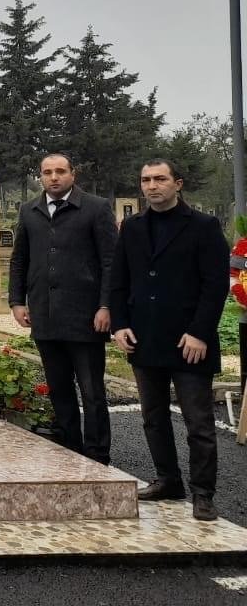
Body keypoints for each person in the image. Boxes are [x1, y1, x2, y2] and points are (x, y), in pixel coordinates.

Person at [109, 158, 229, 521]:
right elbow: (119, 280)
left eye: (160, 179)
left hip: (190, 340)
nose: (152, 186)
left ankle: (203, 493)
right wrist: (120, 324)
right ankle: (167, 479)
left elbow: (215, 285)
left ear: (177, 183)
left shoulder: (204, 227)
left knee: (198, 423)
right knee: (153, 417)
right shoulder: (132, 227)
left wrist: (199, 332)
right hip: (145, 338)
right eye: (145, 179)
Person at [8, 152, 117, 465]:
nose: (53, 177)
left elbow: (110, 261)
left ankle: (97, 454)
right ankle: (70, 447)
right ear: (40, 176)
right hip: (45, 314)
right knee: (59, 387)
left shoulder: (96, 208)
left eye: (60, 171)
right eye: (47, 172)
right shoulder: (29, 210)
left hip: (86, 316)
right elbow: (20, 259)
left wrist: (106, 305)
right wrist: (17, 301)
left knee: (92, 390)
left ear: (73, 174)